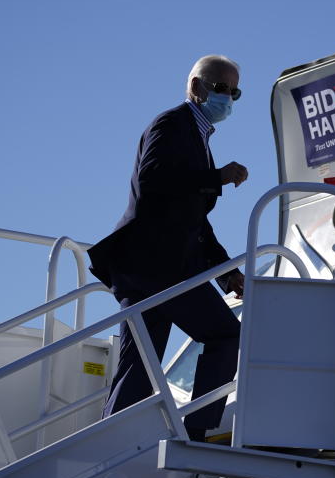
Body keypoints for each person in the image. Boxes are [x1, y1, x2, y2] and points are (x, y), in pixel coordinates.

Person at [87, 54, 249, 442]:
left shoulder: (198, 136)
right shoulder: (173, 123)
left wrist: (226, 272)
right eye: (220, 88)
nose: (227, 97)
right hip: (158, 269)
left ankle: (109, 449)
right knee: (226, 335)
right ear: (196, 87)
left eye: (234, 92)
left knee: (139, 366)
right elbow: (154, 180)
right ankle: (196, 434)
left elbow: (194, 222)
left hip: (151, 269)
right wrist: (217, 177)